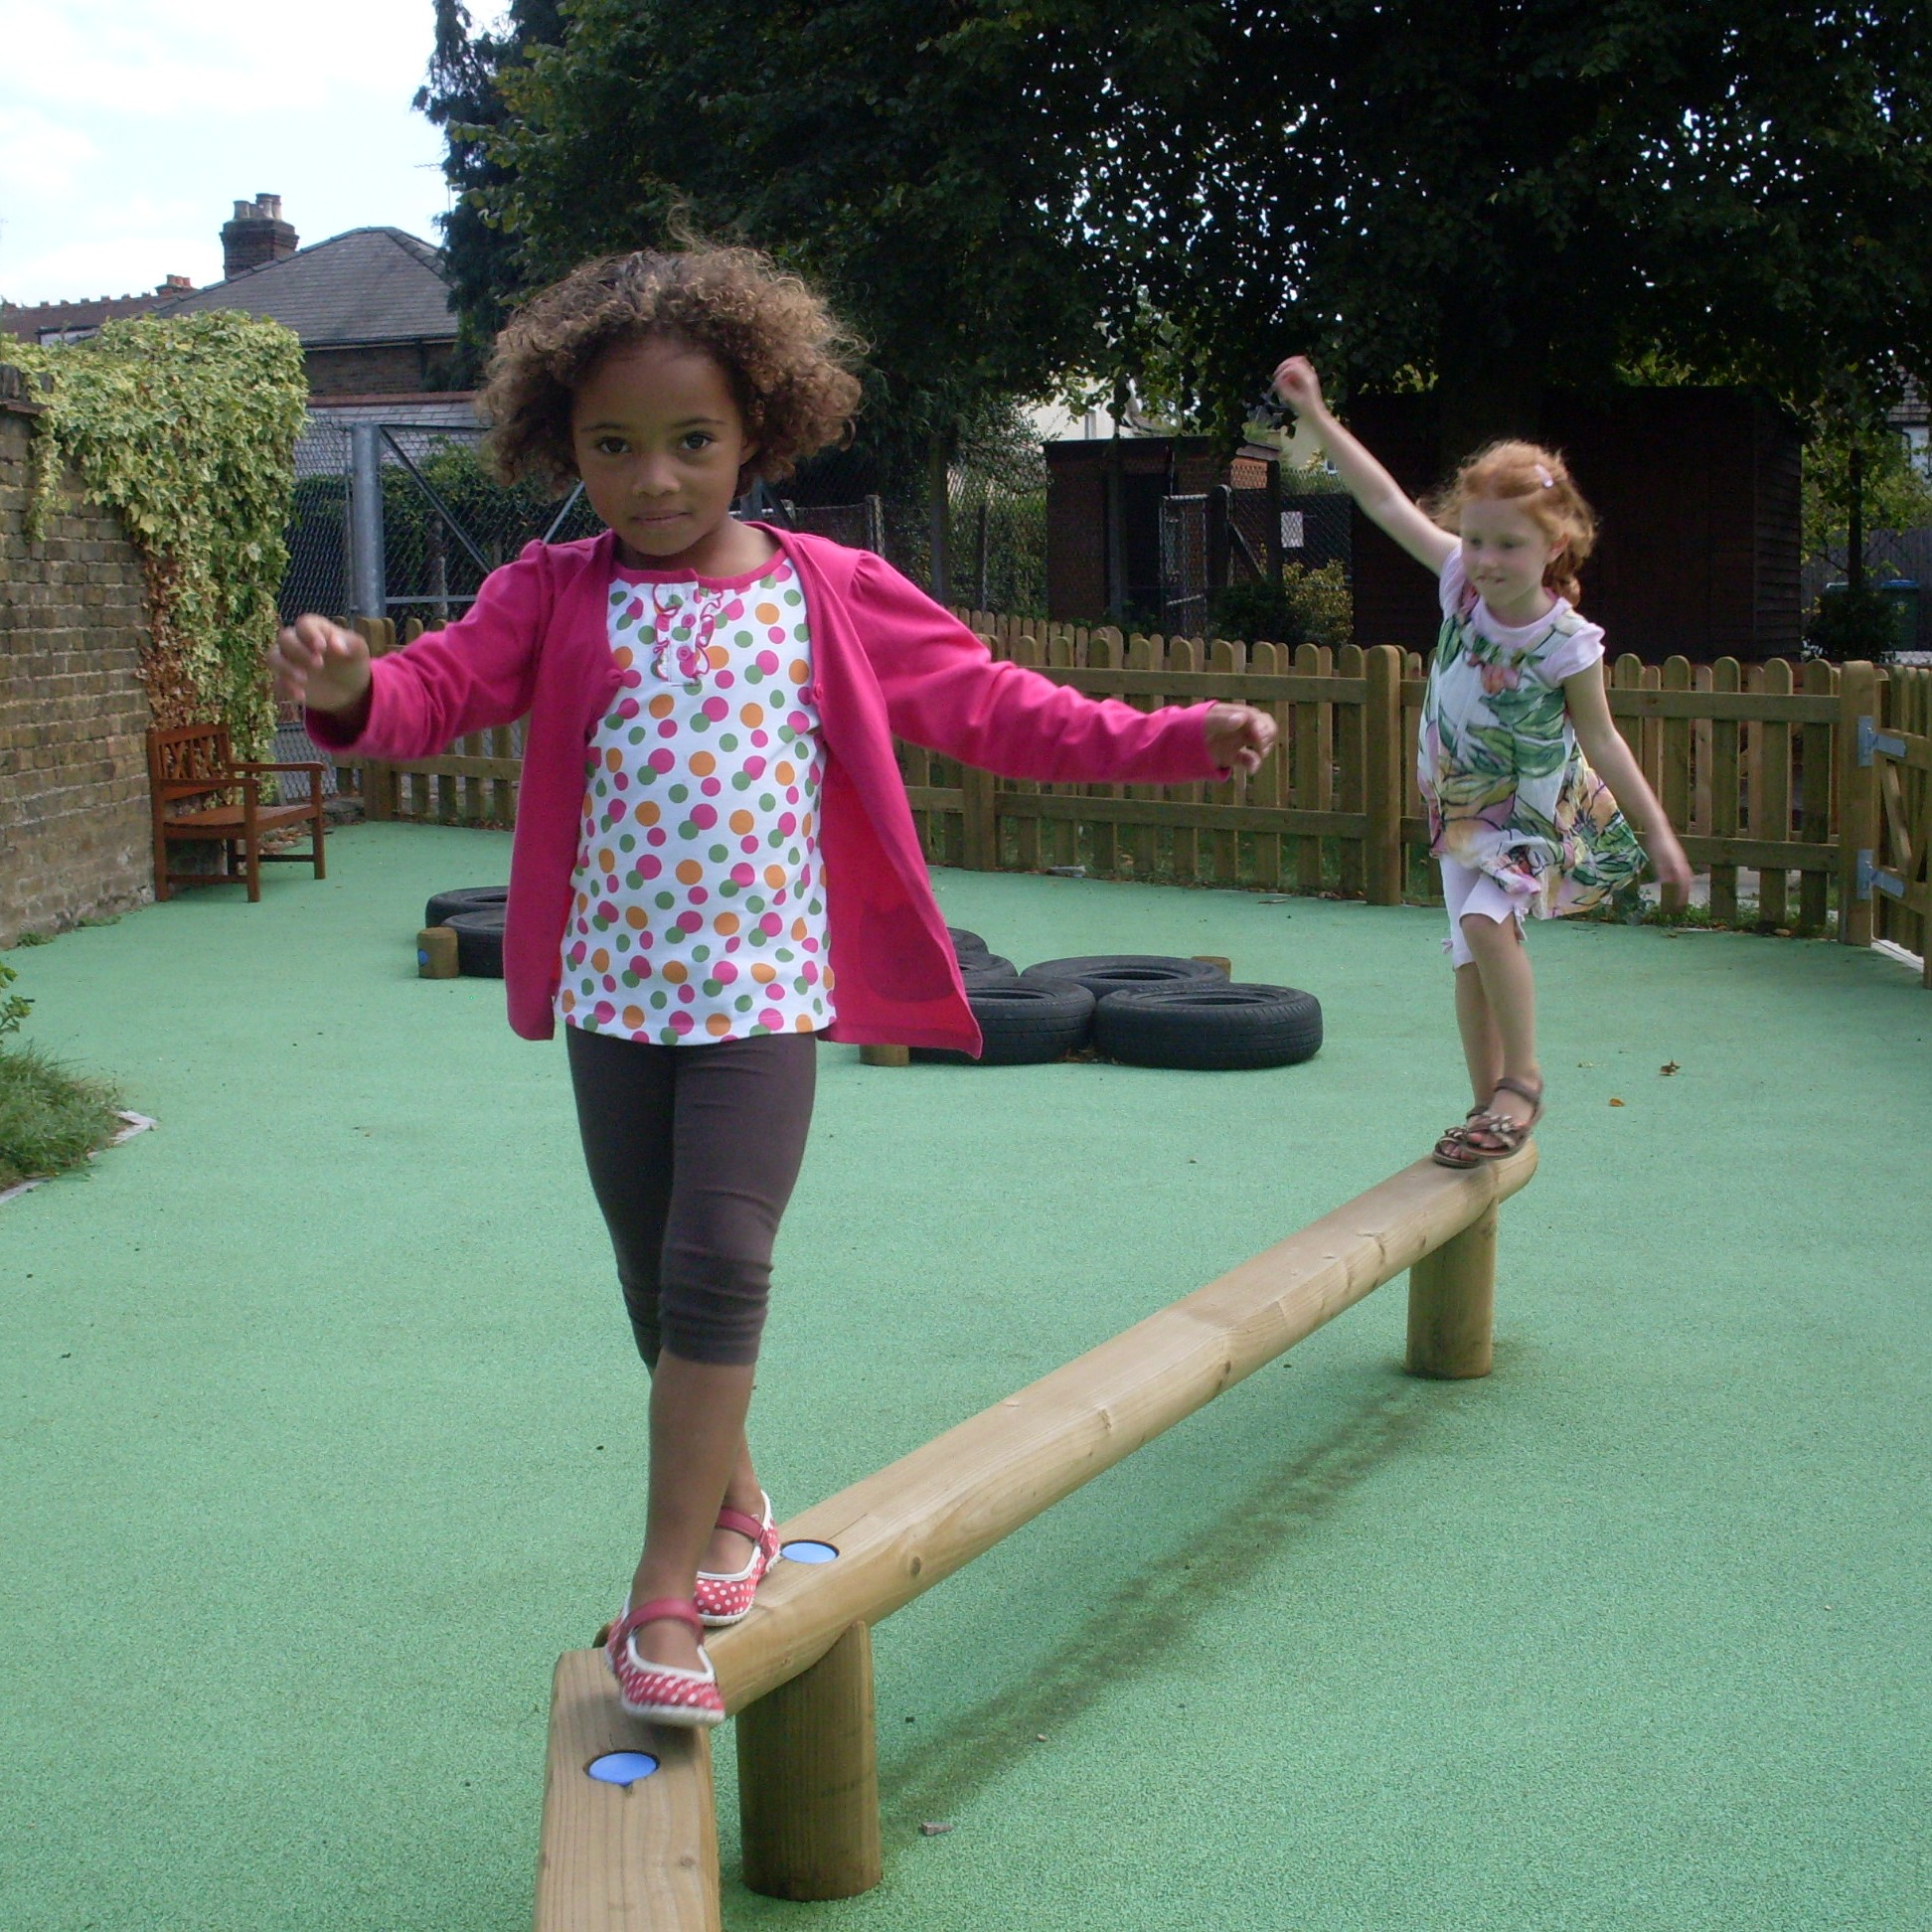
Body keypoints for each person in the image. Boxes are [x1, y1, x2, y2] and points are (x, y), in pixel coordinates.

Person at [271, 244, 1278, 1727]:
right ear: (567, 447)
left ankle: (661, 1589)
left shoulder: (826, 592)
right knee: (646, 1271)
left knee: (720, 1260)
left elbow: (1000, 708)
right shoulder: (554, 592)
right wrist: (354, 685)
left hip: (757, 994)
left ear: (758, 431)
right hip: (616, 994)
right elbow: (435, 695)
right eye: (614, 448)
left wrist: (1175, 736)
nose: (656, 480)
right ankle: (736, 1497)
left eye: (691, 443)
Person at [1269, 356, 1690, 1168]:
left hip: (1529, 810)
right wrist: (1318, 419)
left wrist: (1659, 832)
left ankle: (1523, 1081)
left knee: (1481, 924)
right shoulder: (1460, 585)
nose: (1487, 558)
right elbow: (1386, 500)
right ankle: (1485, 1104)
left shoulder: (1568, 643)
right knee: (1468, 955)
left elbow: (1601, 738)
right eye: (1475, 538)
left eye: (1509, 544)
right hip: (1459, 807)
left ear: (1554, 543)